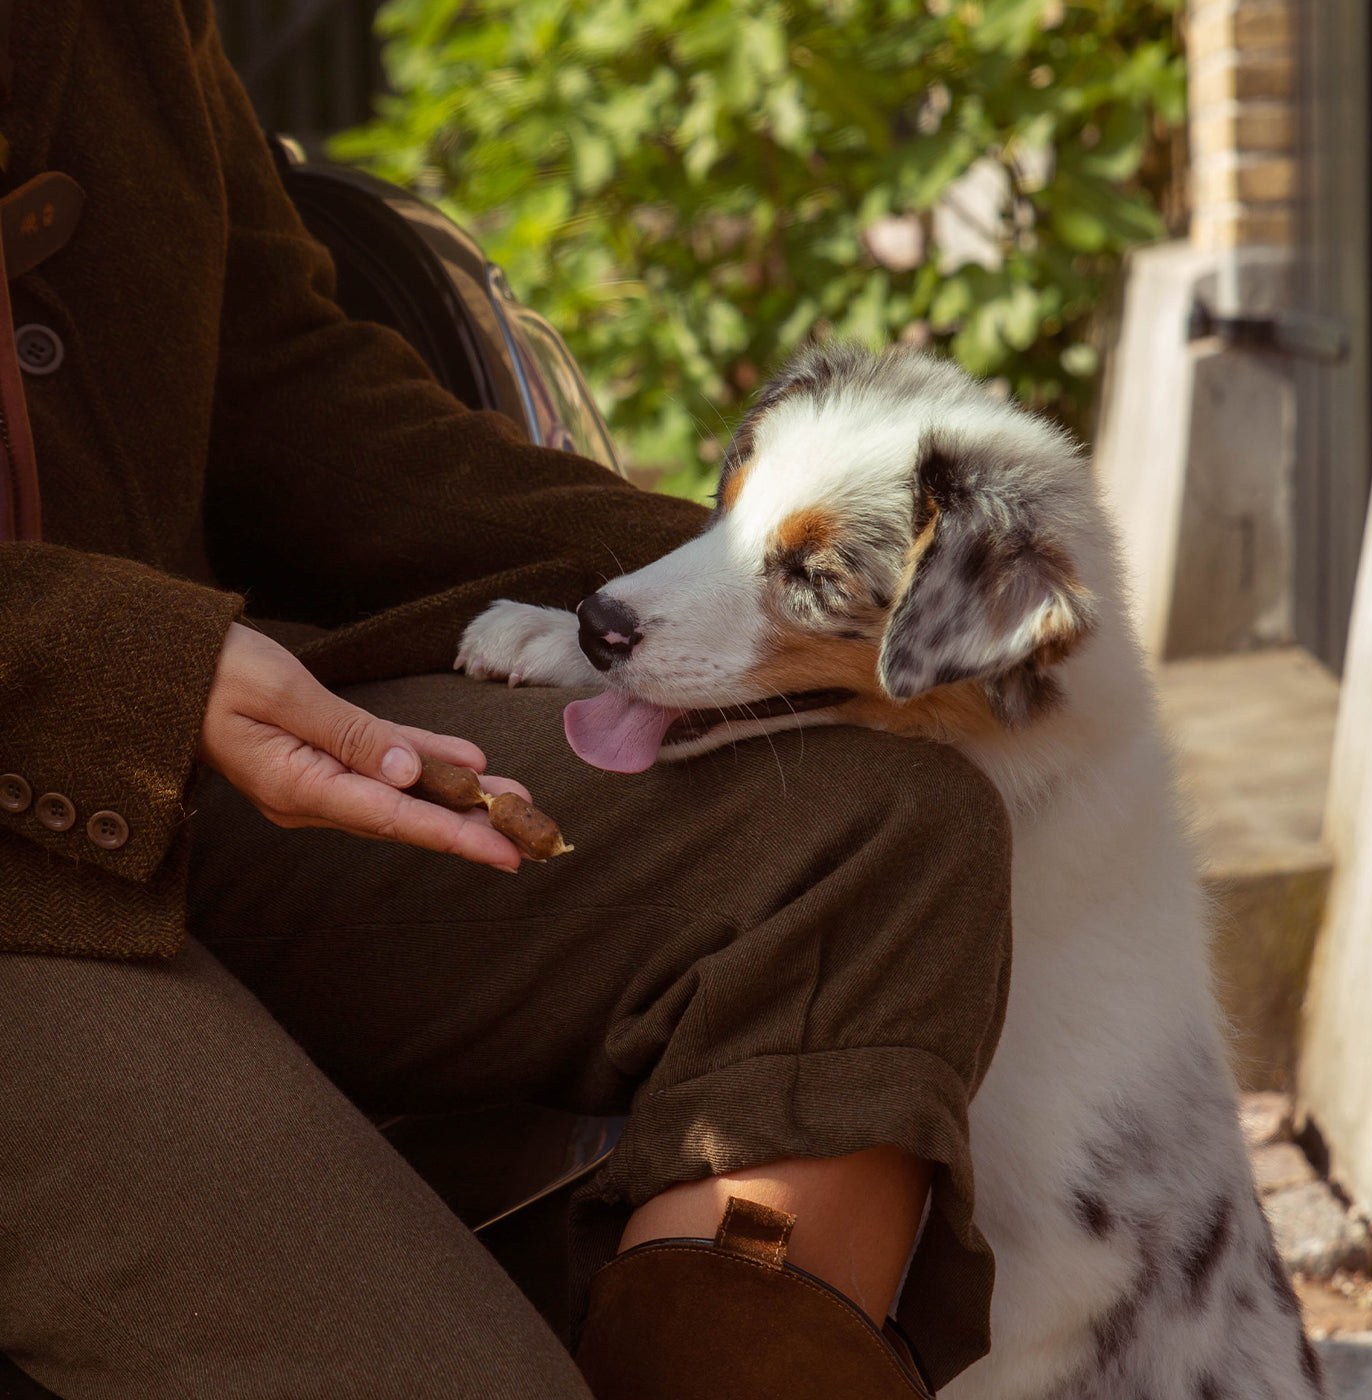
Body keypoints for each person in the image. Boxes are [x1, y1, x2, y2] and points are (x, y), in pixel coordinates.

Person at [0, 1, 1013, 1396]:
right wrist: (121, 663)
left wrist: (723, 578)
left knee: (878, 843)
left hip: (188, 784)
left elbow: (283, 390)